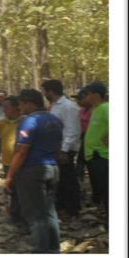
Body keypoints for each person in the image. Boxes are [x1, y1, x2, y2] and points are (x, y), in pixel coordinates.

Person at [6, 89, 63, 253]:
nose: (20, 108)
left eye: (21, 104)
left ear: (29, 103)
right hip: (53, 168)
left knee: (34, 214)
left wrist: (10, 176)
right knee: (49, 211)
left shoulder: (29, 121)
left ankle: (40, 251)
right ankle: (53, 249)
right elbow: (58, 147)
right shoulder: (55, 120)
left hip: (33, 170)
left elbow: (21, 151)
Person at [42, 79, 82, 218]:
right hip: (56, 148)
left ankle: (73, 208)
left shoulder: (68, 106)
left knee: (68, 179)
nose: (44, 94)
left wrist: (65, 151)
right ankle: (62, 206)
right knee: (59, 179)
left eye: (45, 91)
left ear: (50, 91)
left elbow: (72, 130)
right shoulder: (54, 106)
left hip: (66, 149)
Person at [81, 81, 109, 227]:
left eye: (88, 94)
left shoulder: (106, 108)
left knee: (107, 190)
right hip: (94, 156)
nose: (86, 97)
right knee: (102, 189)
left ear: (96, 94)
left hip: (102, 157)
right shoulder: (96, 109)